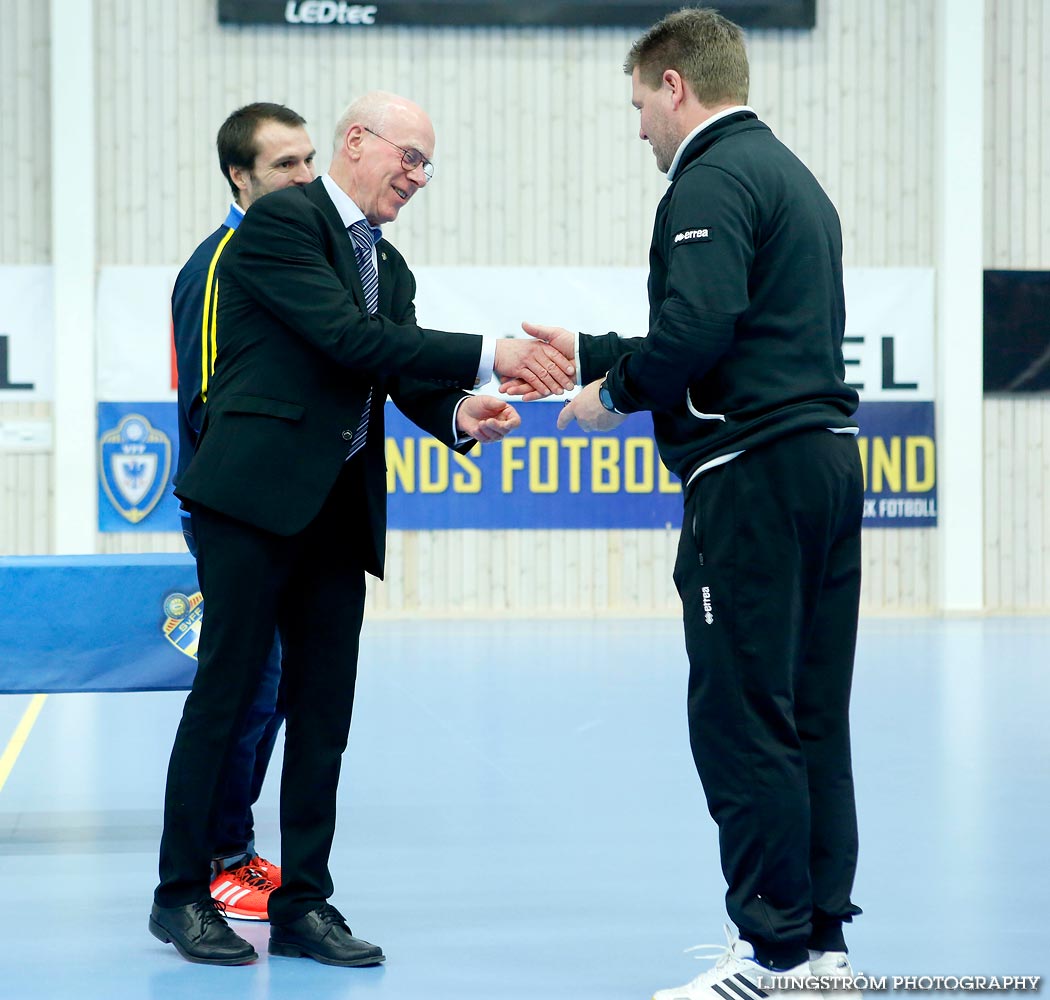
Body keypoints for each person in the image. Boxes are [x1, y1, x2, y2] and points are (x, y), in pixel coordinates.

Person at [149, 90, 575, 967]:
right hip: (251, 504)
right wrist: (491, 351)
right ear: (357, 141)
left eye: (427, 166)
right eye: (409, 158)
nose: (418, 178)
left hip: (338, 515)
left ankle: (306, 904)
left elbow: (399, 371)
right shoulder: (280, 224)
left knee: (323, 715)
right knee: (225, 701)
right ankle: (180, 895)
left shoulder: (395, 267)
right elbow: (346, 338)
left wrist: (464, 410)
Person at [507, 8, 863, 998]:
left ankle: (770, 956)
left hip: (752, 478)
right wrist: (591, 350)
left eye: (638, 105)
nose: (638, 131)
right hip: (826, 464)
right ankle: (823, 948)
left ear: (674, 86)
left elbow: (698, 328)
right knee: (809, 713)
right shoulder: (793, 178)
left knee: (742, 712)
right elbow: (741, 333)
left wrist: (607, 395)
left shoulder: (708, 178)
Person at [170, 102, 318, 920]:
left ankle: (233, 844)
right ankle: (218, 858)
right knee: (247, 689)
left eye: (308, 161)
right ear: (240, 175)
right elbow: (207, 398)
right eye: (285, 166)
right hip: (234, 511)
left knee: (277, 686)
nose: (304, 178)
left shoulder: (290, 250)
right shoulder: (222, 262)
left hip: (284, 514)